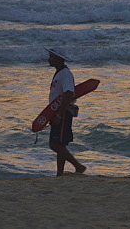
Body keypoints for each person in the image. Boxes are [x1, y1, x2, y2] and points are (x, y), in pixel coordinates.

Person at [45, 47, 87, 176]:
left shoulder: (65, 74)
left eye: (51, 56)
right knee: (60, 144)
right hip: (57, 111)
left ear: (58, 59)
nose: (49, 58)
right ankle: (60, 173)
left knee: (55, 144)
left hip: (62, 112)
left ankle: (78, 166)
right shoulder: (59, 73)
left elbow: (69, 93)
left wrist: (59, 114)